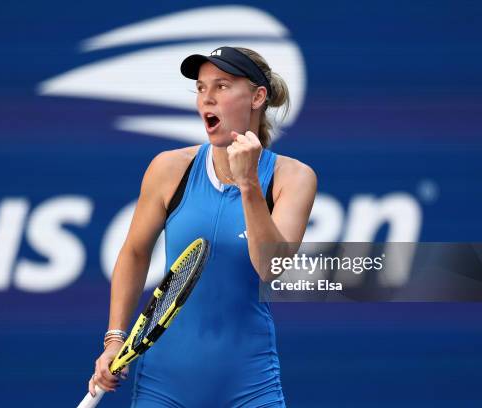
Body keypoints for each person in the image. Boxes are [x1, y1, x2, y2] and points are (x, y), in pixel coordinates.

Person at [89, 46, 317, 407]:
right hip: (162, 389)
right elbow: (134, 252)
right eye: (200, 88)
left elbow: (271, 269)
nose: (206, 98)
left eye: (222, 86)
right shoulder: (168, 168)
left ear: (258, 97)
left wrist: (248, 185)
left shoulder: (293, 178)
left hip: (251, 389)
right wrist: (114, 339)